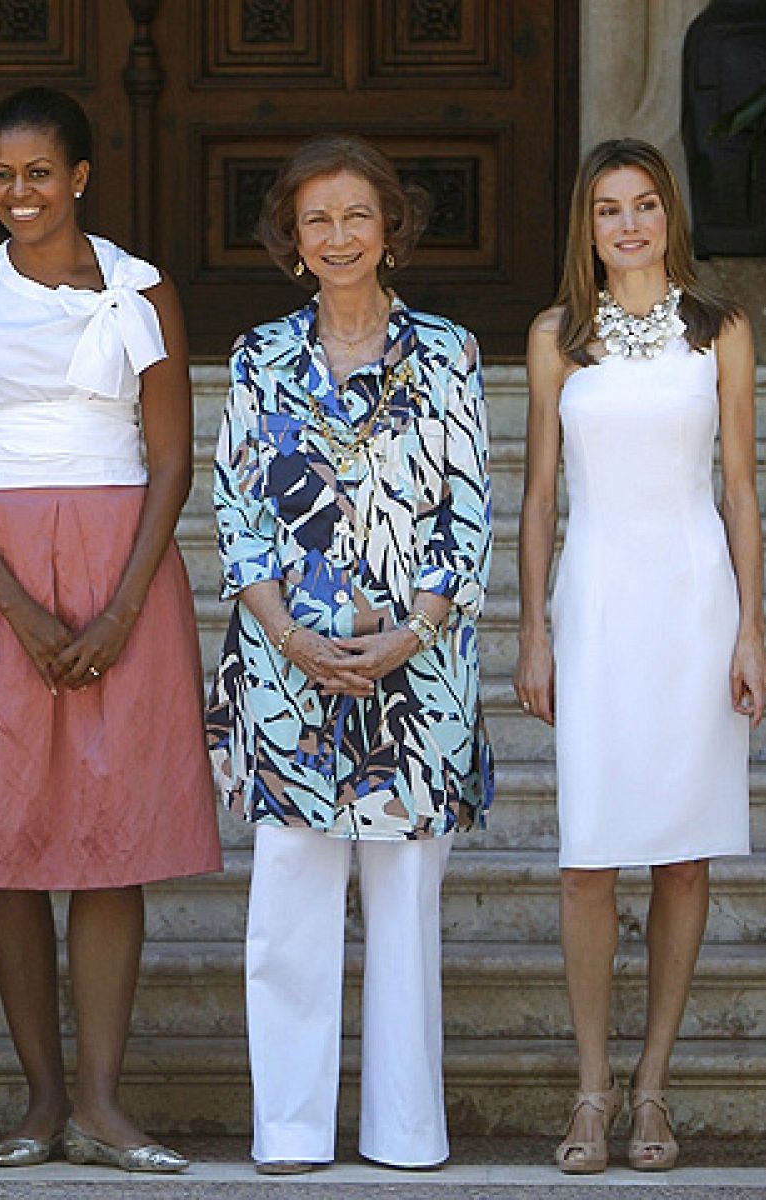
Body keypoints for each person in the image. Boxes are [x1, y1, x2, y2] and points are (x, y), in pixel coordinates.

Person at [0, 86, 221, 1174]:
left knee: (114, 839)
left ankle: (104, 1106)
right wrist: (22, 609)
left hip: (126, 559)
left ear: (78, 177)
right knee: (9, 841)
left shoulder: (143, 290)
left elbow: (172, 457)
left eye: (36, 173)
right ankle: (39, 1099)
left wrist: (122, 604)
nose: (15, 193)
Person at [206, 134, 492, 1174]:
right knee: (288, 902)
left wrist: (408, 636)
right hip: (286, 671)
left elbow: (468, 518)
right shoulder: (254, 359)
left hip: (415, 675)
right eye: (316, 219)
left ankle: (407, 1134)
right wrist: (288, 635)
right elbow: (237, 517)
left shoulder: (450, 352)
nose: (337, 236)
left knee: (407, 909)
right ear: (290, 236)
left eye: (356, 216)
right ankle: (287, 1129)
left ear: (391, 228)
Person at [514, 138, 766, 1174]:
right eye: (609, 209)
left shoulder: (721, 333)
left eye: (646, 206)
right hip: (598, 604)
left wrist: (751, 626)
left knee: (681, 851)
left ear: (670, 217)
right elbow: (538, 496)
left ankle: (653, 1090)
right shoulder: (556, 338)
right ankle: (590, 1090)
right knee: (586, 860)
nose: (628, 225)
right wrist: (531, 625)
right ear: (586, 225)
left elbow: (740, 489)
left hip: (693, 603)